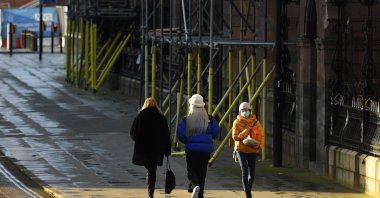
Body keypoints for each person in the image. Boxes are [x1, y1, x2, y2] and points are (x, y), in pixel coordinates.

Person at [177, 94, 220, 198]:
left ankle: (195, 185)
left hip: (192, 150)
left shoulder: (186, 120)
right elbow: (216, 133)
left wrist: (187, 141)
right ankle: (200, 194)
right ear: (203, 106)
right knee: (202, 171)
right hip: (205, 150)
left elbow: (181, 135)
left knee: (191, 170)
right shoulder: (210, 119)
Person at [130, 98, 171, 198]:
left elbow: (133, 134)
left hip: (144, 149)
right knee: (152, 169)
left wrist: (139, 140)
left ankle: (150, 192)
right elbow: (166, 136)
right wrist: (167, 150)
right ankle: (150, 192)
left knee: (150, 170)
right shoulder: (161, 118)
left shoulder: (140, 117)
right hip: (157, 149)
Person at [232, 102, 264, 198]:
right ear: (240, 111)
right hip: (240, 149)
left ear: (250, 111)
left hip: (252, 150)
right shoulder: (237, 122)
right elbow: (235, 137)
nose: (245, 112)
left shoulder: (256, 122)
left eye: (247, 110)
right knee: (244, 170)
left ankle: (248, 188)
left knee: (252, 174)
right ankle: (247, 193)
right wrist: (246, 131)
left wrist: (259, 146)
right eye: (243, 110)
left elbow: (261, 136)